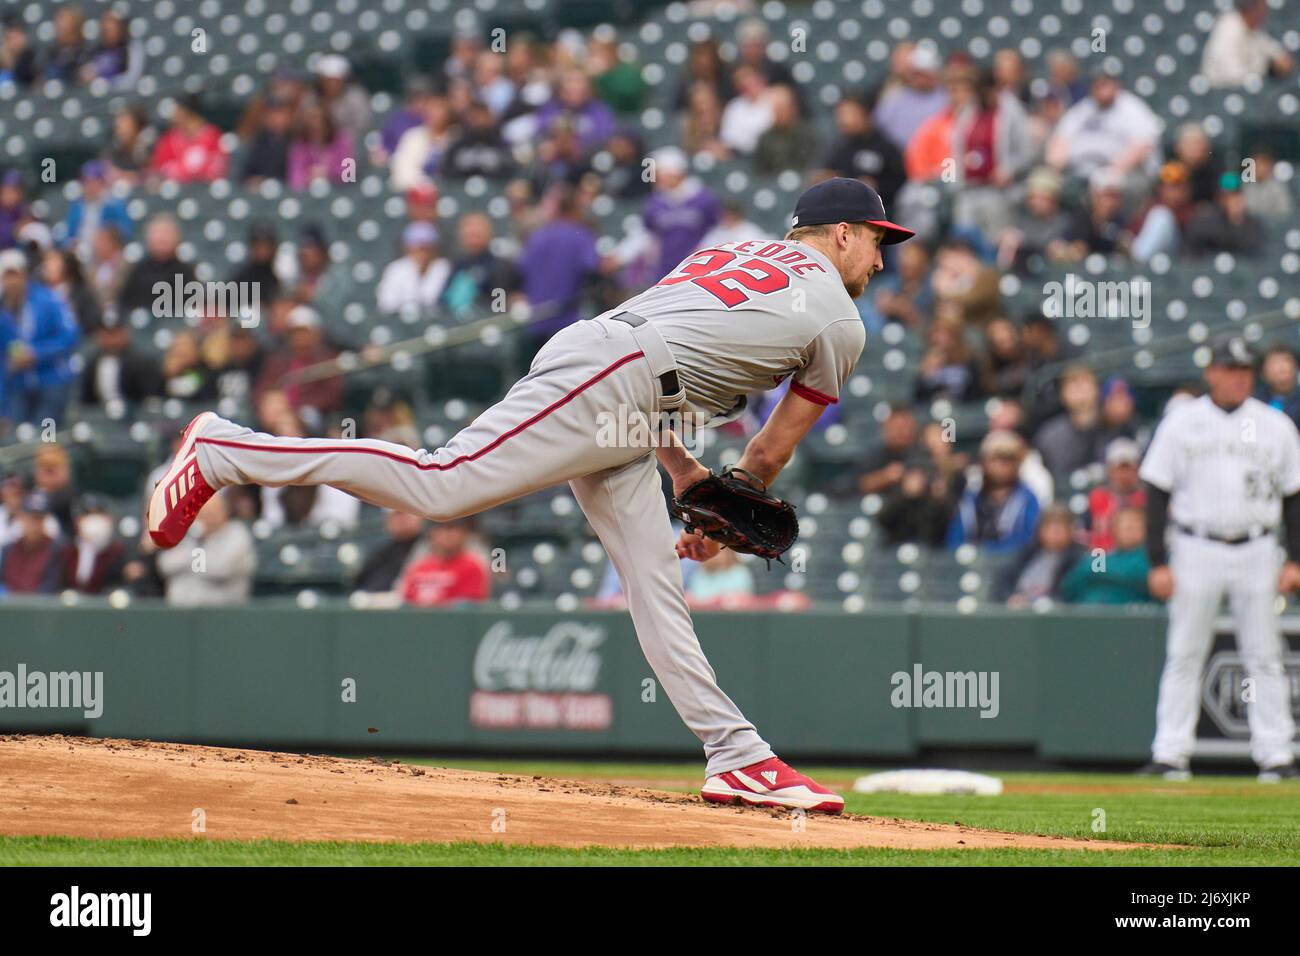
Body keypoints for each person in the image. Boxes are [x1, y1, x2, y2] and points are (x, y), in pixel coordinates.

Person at [145, 177, 916, 814]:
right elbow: (769, 450)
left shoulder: (733, 253)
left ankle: (736, 756)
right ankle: (228, 448)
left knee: (653, 582)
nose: (882, 261)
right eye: (878, 241)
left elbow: (663, 355)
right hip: (614, 376)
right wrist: (730, 499)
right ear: (841, 233)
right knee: (442, 484)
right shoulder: (840, 319)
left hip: (622, 379)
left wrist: (687, 479)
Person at [1139, 335, 1300, 781]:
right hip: (1197, 546)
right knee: (1185, 653)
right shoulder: (1182, 422)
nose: (1238, 378)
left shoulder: (1275, 425)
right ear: (1211, 372)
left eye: (1246, 371)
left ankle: (1277, 755)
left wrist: (1295, 559)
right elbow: (1156, 492)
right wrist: (1157, 560)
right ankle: (1171, 752)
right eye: (1230, 369)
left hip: (1258, 546)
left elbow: (1294, 498)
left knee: (1265, 655)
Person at [0, 248, 80, 425]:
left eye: (16, 275)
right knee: (15, 444)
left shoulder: (49, 300)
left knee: (46, 438)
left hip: (51, 382)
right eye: (7, 276)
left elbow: (70, 337)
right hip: (18, 386)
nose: (12, 282)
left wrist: (36, 353)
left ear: (24, 275)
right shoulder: (3, 311)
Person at [946, 429, 1041, 554]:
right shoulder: (970, 500)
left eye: (1007, 460)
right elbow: (954, 540)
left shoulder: (1027, 499)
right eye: (994, 459)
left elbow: (1026, 542)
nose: (1001, 465)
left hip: (1011, 567)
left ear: (1017, 464)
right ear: (983, 463)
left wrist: (990, 552)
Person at [155, 491, 255, 607]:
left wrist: (189, 561)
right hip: (180, 612)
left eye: (213, 512)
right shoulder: (189, 532)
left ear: (225, 512)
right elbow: (165, 564)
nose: (208, 517)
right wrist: (196, 543)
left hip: (223, 611)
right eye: (203, 512)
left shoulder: (237, 534)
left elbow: (221, 569)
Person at [1059, 507, 1151, 605]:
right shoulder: (1103, 556)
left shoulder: (1151, 557)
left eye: (1133, 526)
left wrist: (1099, 570)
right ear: (1114, 529)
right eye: (1123, 527)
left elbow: (1141, 577)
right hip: (1088, 612)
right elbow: (1069, 585)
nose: (1128, 531)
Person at [996, 504, 1084, 606]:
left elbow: (1069, 595)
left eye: (1060, 527)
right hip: (1016, 613)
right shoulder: (1027, 553)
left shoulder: (1078, 560)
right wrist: (1010, 597)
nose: (1055, 533)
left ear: (1070, 530)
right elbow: (1001, 585)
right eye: (1050, 527)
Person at [397, 519, 489, 607]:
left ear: (464, 534)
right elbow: (406, 602)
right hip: (417, 620)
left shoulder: (472, 566)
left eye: (451, 529)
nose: (446, 535)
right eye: (440, 529)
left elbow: (469, 606)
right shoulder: (419, 567)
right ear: (431, 534)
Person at [1201, 0, 1292, 88]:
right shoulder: (1229, 26)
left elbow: (1270, 47)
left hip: (1245, 85)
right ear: (1251, 8)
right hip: (1222, 89)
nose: (1264, 15)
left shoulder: (1253, 29)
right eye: (1261, 10)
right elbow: (1231, 71)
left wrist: (1280, 57)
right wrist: (1263, 68)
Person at [376, 222, 451, 316]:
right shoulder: (396, 269)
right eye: (417, 246)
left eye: (426, 246)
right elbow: (386, 303)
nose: (422, 251)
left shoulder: (444, 267)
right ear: (407, 247)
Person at [1088, 437, 1147, 552]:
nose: (1124, 475)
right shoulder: (1097, 498)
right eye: (1119, 469)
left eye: (1128, 469)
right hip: (1103, 557)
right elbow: (1092, 538)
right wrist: (1098, 568)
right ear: (1110, 470)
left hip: (1137, 559)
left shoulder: (1146, 499)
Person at [0, 491, 62, 594]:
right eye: (30, 518)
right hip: (9, 608)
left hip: (39, 608)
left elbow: (50, 589)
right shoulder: (8, 549)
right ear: (21, 518)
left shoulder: (55, 550)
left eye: (39, 519)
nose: (34, 524)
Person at [353, 509, 426, 595]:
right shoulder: (381, 552)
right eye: (396, 515)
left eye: (405, 514)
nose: (401, 520)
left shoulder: (432, 546)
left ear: (420, 518)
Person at [686, 548, 754, 608]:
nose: (718, 555)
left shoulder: (740, 572)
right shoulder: (700, 572)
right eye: (713, 551)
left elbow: (743, 600)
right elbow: (695, 597)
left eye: (722, 551)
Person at [1257, 344, 1300, 427]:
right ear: (1263, 371)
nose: (1281, 367)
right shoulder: (1256, 400)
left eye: (1286, 360)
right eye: (1274, 362)